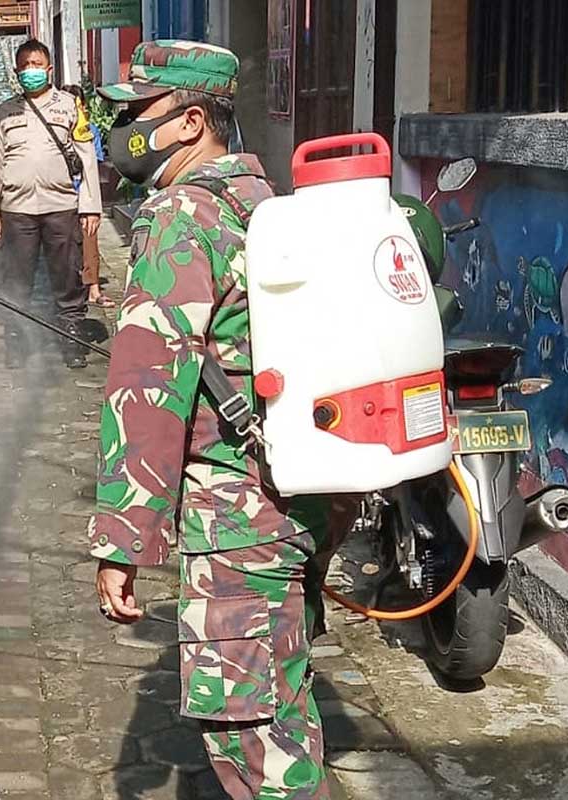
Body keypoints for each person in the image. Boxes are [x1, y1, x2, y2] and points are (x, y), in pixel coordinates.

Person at [88, 41, 345, 799]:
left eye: (137, 112)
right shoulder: (264, 205)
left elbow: (147, 385)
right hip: (298, 498)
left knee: (256, 744)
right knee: (284, 707)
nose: (123, 127)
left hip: (236, 518)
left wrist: (123, 541)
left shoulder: (179, 215)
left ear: (190, 120)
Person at [0, 39, 101, 369]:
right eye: (25, 66)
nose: (32, 70)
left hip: (60, 204)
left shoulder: (70, 106)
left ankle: (72, 340)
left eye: (37, 64)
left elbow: (87, 157)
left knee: (67, 278)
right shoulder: (6, 112)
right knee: (16, 280)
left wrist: (90, 206)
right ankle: (16, 342)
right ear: (18, 72)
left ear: (49, 69)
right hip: (16, 209)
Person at [62, 84, 115, 309]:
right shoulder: (54, 128)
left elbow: (96, 162)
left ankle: (93, 288)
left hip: (83, 193)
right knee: (64, 244)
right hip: (61, 195)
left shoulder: (90, 130)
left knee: (90, 239)